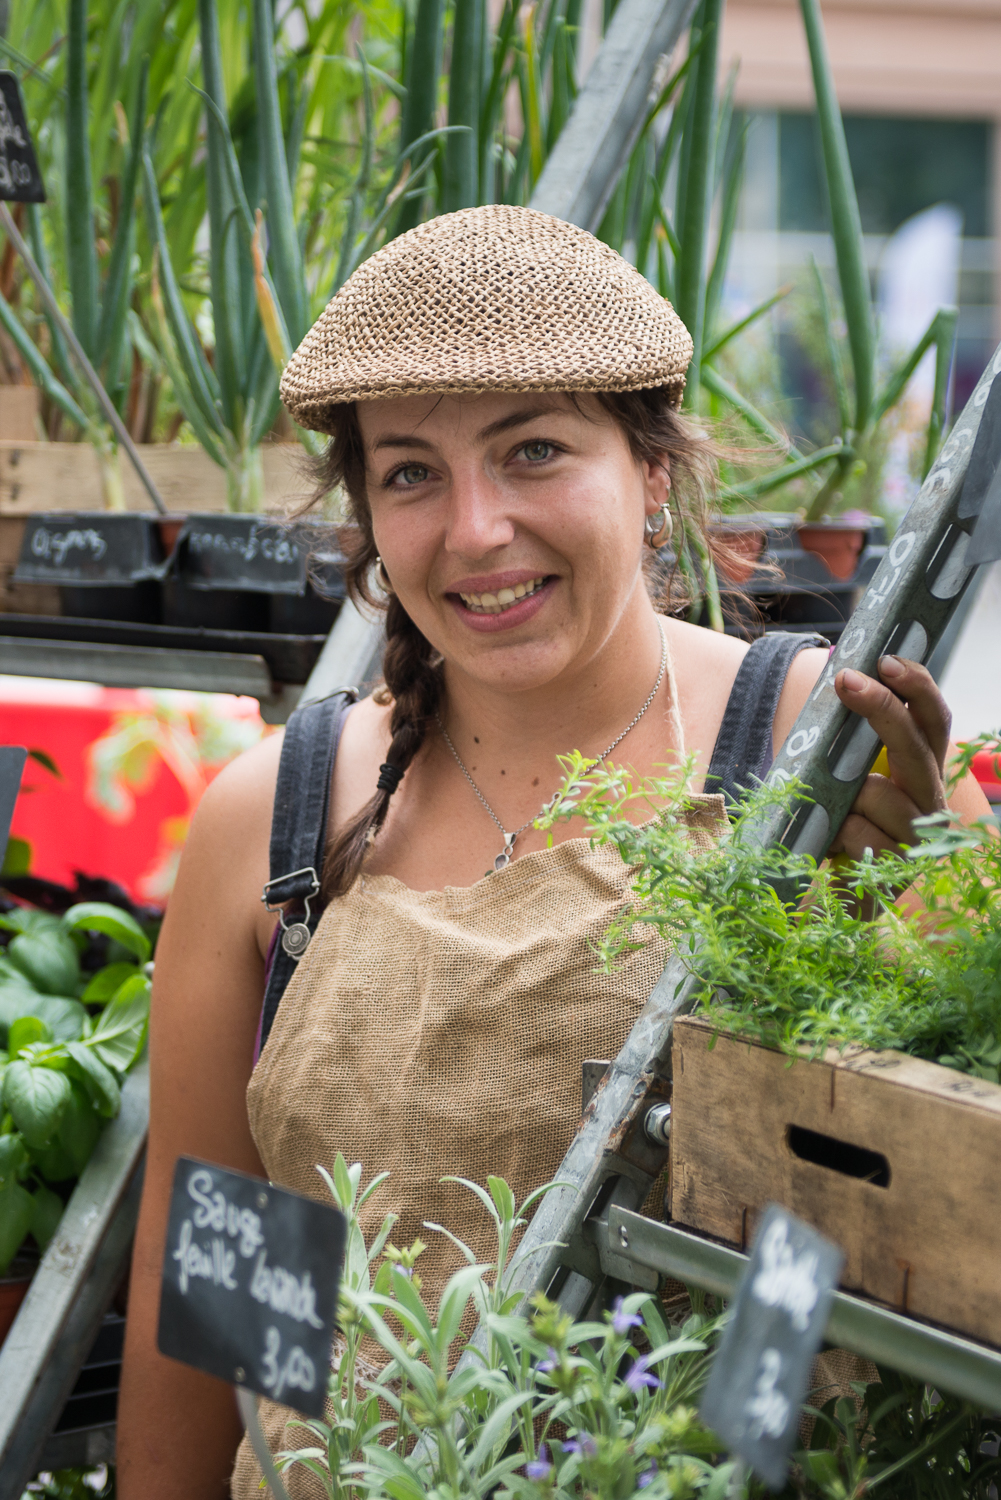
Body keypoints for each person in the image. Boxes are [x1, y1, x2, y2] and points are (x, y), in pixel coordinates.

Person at [117, 204, 990, 1498]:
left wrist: (928, 897)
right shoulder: (281, 814)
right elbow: (229, 1303)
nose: (474, 529)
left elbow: (944, 1229)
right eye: (410, 472)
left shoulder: (821, 755)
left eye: (533, 452)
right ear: (366, 513)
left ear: (648, 468)